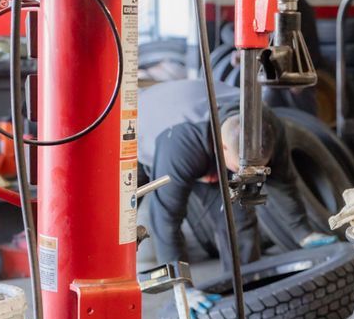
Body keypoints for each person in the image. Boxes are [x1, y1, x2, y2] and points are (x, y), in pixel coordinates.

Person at [138, 80, 335, 286]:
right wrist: (182, 287)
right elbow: (167, 221)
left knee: (239, 220)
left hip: (205, 135)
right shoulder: (181, 146)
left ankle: (246, 288)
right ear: (221, 148)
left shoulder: (269, 126)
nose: (246, 176)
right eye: (241, 170)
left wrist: (303, 232)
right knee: (121, 214)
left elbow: (283, 182)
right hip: (138, 129)